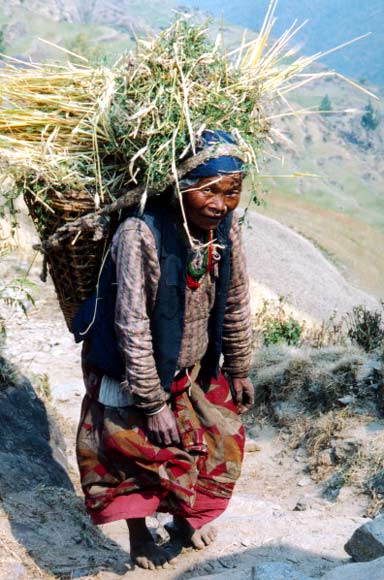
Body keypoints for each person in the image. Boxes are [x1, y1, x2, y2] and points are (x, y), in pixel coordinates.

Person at [75, 130, 254, 570]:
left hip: (190, 364)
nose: (220, 203)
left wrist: (239, 365)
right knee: (136, 453)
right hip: (131, 369)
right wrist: (152, 403)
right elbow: (131, 324)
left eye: (231, 192)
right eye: (208, 190)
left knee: (212, 441)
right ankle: (139, 535)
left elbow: (234, 300)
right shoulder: (140, 235)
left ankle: (183, 520)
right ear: (179, 187)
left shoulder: (225, 230)